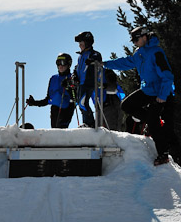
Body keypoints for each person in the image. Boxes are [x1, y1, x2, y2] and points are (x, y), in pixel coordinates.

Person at [102, 26, 180, 165]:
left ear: (144, 37)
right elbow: (125, 62)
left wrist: (162, 95)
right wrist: (105, 64)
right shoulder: (139, 53)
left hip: (163, 92)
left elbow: (167, 76)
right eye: (133, 41)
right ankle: (153, 120)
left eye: (136, 40)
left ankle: (163, 155)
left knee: (162, 126)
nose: (134, 43)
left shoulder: (156, 52)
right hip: (148, 90)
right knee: (127, 105)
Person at [27, 53, 75, 128]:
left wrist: (69, 87)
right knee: (55, 131)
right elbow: (48, 99)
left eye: (63, 63)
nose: (60, 66)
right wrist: (34, 103)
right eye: (58, 63)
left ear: (68, 64)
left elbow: (76, 96)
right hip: (54, 109)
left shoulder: (72, 78)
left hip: (67, 108)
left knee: (61, 130)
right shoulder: (53, 78)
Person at [73, 31, 102, 127]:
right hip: (81, 83)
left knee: (82, 103)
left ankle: (91, 124)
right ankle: (86, 122)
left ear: (87, 43)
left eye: (81, 44)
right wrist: (75, 75)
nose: (79, 46)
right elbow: (77, 68)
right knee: (81, 104)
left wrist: (92, 61)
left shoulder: (93, 54)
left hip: (88, 83)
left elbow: (97, 59)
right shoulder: (80, 56)